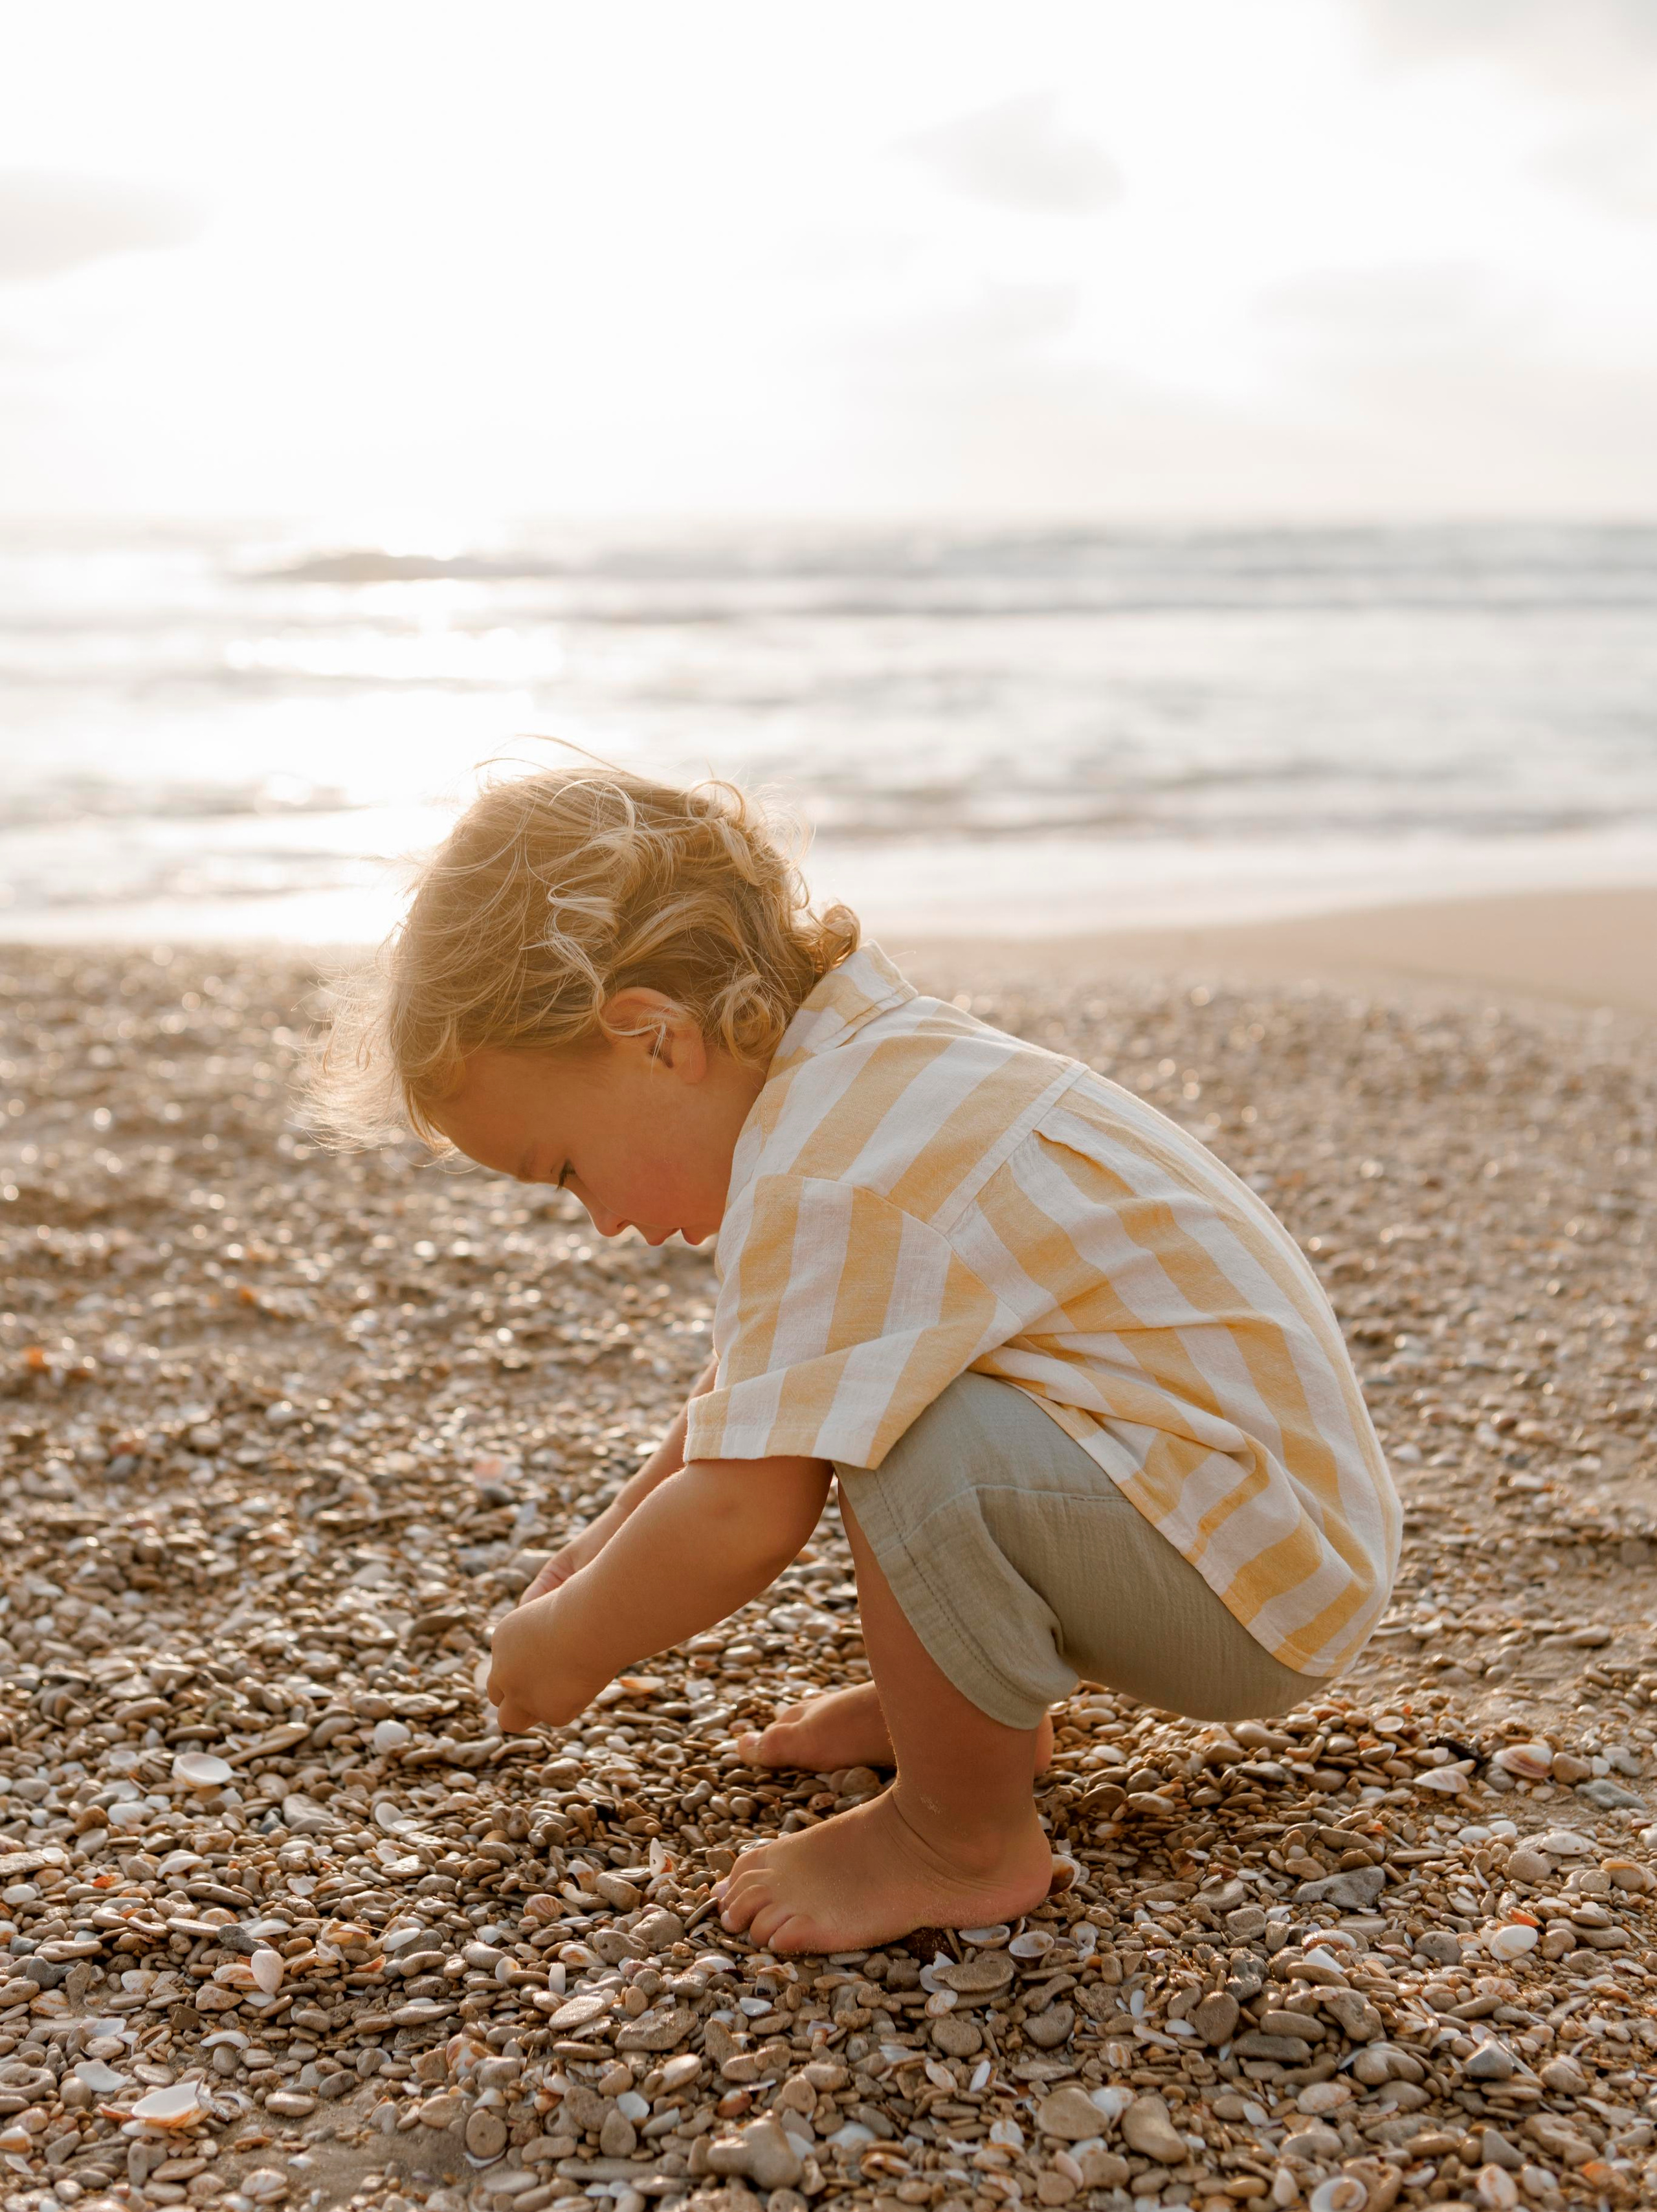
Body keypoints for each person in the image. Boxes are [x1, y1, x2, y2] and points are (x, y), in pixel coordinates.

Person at [315, 762, 1399, 1952]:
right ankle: (972, 1711)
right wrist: (593, 1559)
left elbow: (743, 1513)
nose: (601, 1221)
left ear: (653, 1039)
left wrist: (570, 1648)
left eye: (567, 1168)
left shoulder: (827, 1172)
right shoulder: (857, 1070)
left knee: (919, 1441)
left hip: (1250, 1586)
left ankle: (959, 1837)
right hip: (1251, 1523)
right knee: (878, 1401)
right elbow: (748, 1406)